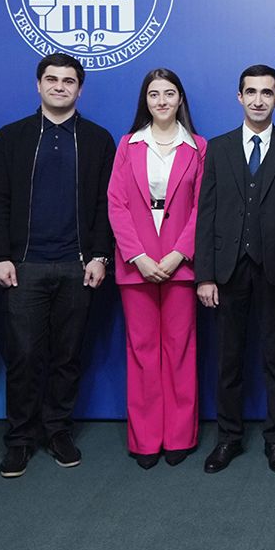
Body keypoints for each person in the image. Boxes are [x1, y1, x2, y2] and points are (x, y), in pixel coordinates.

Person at [0, 53, 116, 478]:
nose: (60, 87)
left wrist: (100, 256)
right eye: (52, 80)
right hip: (24, 266)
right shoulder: (12, 137)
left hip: (78, 267)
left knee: (68, 355)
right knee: (24, 356)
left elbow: (106, 204)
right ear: (38, 85)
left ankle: (58, 430)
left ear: (80, 89)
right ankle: (20, 438)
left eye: (69, 81)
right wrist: (0, 256)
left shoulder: (98, 139)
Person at [195, 65, 275, 474]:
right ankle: (228, 437)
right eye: (251, 92)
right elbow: (206, 214)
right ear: (239, 97)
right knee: (229, 360)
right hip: (227, 271)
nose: (258, 100)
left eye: (267, 93)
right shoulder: (218, 148)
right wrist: (205, 275)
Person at [108, 68, 207, 468]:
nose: (162, 100)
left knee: (180, 350)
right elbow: (116, 204)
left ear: (180, 98)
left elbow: (203, 207)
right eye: (154, 94)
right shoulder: (127, 144)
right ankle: (146, 439)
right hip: (137, 267)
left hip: (180, 266)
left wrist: (179, 253)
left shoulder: (198, 147)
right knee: (142, 352)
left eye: (169, 93)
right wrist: (138, 256)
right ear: (145, 101)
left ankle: (180, 435)